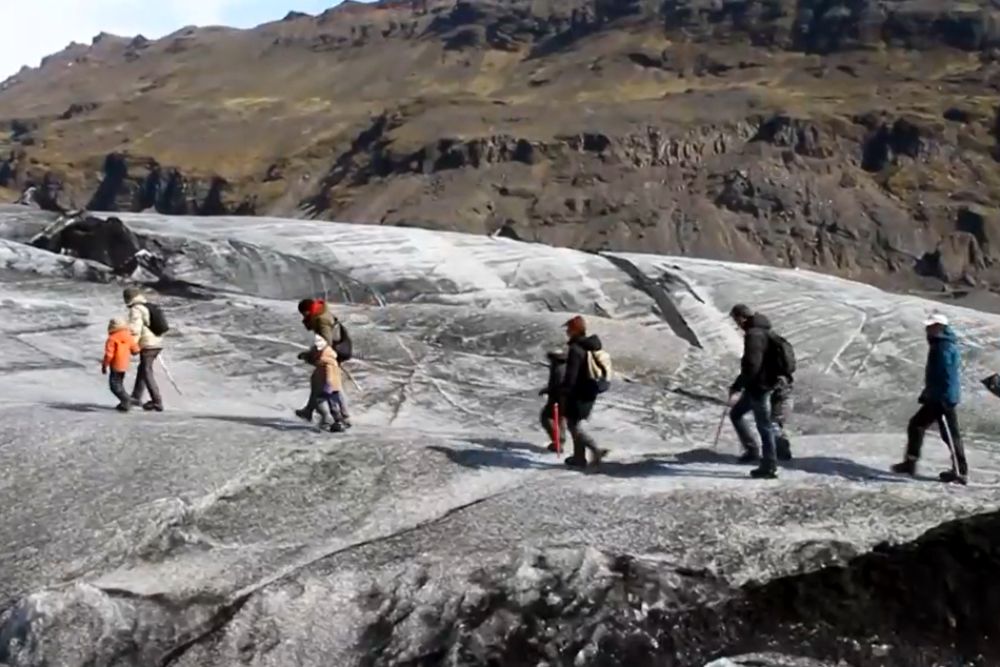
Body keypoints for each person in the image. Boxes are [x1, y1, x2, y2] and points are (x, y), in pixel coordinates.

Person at [891, 313, 968, 484]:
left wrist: (943, 397)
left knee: (950, 434)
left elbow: (947, 374)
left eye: (931, 326)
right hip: (936, 396)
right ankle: (910, 463)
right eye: (928, 326)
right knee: (916, 425)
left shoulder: (944, 346)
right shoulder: (939, 344)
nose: (927, 329)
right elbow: (936, 375)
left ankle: (960, 472)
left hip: (943, 398)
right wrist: (928, 392)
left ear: (940, 327)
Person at [728, 304, 781, 479]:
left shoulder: (754, 335)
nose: (737, 324)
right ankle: (752, 451)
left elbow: (752, 364)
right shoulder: (764, 331)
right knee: (737, 414)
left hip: (760, 386)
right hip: (761, 385)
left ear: (742, 317)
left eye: (736, 320)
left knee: (764, 425)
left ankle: (769, 464)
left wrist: (738, 385)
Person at [560, 315, 608, 468]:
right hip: (590, 389)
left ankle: (595, 450)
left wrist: (564, 391)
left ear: (574, 330)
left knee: (573, 425)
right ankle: (579, 457)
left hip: (578, 392)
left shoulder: (576, 349)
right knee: (575, 423)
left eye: (569, 328)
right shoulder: (590, 346)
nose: (567, 331)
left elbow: (572, 374)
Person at [295, 298, 351, 426]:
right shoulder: (320, 314)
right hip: (330, 356)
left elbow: (326, 342)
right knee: (323, 384)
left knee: (325, 387)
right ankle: (311, 411)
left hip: (328, 357)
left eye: (304, 314)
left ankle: (334, 417)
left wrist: (309, 355)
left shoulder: (321, 320)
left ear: (308, 312)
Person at [124, 287, 165, 411]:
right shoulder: (148, 306)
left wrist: (131, 346)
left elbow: (135, 329)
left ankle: (157, 401)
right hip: (156, 343)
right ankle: (136, 397)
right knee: (142, 369)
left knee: (146, 370)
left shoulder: (136, 309)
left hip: (148, 344)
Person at [300, 334, 347, 432]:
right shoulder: (331, 353)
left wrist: (307, 356)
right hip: (332, 377)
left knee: (321, 399)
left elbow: (318, 356)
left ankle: (328, 420)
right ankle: (339, 418)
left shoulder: (324, 354)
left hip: (325, 378)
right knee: (334, 397)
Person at [101, 317, 140, 412]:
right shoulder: (128, 336)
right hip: (125, 364)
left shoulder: (112, 338)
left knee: (114, 386)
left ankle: (127, 400)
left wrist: (105, 365)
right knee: (119, 384)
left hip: (115, 364)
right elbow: (136, 350)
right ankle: (124, 402)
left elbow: (109, 354)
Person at [539, 350, 568, 452]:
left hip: (558, 398)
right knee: (561, 417)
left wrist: (546, 390)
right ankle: (561, 439)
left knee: (546, 418)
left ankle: (558, 441)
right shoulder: (567, 366)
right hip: (568, 398)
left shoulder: (557, 370)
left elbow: (557, 385)